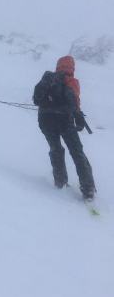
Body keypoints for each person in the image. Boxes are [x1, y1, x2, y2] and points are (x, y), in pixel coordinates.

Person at [34, 56, 96, 200]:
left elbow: (38, 100)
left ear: (58, 66)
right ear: (72, 68)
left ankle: (60, 181)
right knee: (76, 152)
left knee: (56, 149)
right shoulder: (71, 81)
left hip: (45, 120)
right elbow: (74, 102)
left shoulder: (47, 79)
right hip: (64, 120)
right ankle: (88, 189)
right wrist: (78, 116)